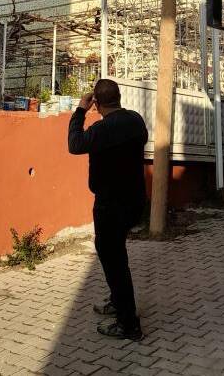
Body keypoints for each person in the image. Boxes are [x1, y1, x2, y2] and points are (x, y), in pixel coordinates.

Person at [68, 78, 148, 341]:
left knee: (114, 262)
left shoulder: (101, 130)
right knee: (114, 255)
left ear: (97, 103)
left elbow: (75, 144)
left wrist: (80, 109)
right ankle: (117, 301)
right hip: (134, 200)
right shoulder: (136, 120)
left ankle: (128, 324)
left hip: (110, 205)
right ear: (120, 97)